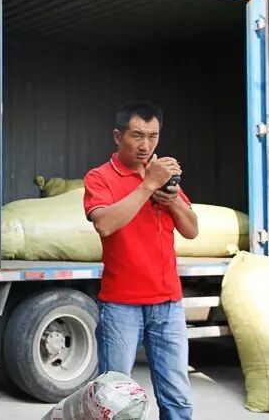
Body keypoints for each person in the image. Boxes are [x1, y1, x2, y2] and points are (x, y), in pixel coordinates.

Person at [83, 101, 199, 420]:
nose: (145, 145)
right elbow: (105, 224)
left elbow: (192, 230)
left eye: (153, 136)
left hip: (168, 303)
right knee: (114, 400)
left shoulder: (163, 175)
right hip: (121, 305)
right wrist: (148, 185)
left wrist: (172, 200)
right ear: (117, 136)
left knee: (177, 399)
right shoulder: (99, 177)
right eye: (137, 135)